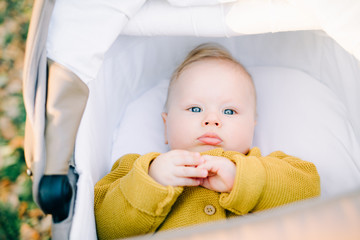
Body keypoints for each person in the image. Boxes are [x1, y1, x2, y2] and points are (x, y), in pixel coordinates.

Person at [94, 43, 320, 239]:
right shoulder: (139, 170)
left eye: (229, 111)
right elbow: (105, 228)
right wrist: (152, 181)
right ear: (166, 125)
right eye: (195, 108)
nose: (212, 119)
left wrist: (240, 178)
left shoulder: (271, 167)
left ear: (252, 127)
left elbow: (310, 192)